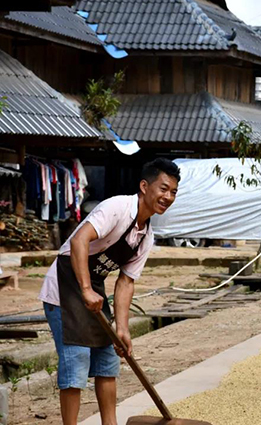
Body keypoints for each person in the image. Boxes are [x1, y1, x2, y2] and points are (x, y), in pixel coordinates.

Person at [38, 158, 180, 425]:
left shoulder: (146, 235)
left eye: (173, 192)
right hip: (65, 288)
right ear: (144, 186)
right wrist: (85, 289)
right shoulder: (117, 207)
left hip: (94, 290)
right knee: (76, 362)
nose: (168, 196)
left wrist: (122, 328)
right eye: (163, 189)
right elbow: (80, 240)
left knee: (107, 361)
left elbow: (126, 281)